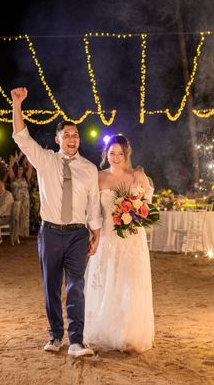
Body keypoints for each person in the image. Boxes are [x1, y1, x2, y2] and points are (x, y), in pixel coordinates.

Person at [11, 86, 102, 358]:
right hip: (50, 233)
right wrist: (17, 105)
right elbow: (21, 137)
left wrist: (95, 233)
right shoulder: (45, 160)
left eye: (75, 135)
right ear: (58, 138)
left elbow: (93, 203)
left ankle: (76, 341)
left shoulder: (89, 168)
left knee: (76, 286)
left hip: (77, 235)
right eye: (67, 135)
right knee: (51, 285)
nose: (72, 139)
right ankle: (55, 335)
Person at [83, 135, 155, 354]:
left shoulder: (138, 176)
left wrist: (133, 213)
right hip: (107, 239)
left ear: (127, 154)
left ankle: (129, 336)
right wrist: (92, 235)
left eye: (120, 154)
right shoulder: (98, 177)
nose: (115, 157)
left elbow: (147, 209)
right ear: (106, 154)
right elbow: (92, 211)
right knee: (107, 283)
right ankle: (106, 331)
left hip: (132, 239)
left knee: (130, 285)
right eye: (111, 153)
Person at [9, 163, 31, 238]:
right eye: (19, 169)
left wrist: (27, 158)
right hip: (17, 200)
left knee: (24, 215)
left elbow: (30, 167)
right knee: (17, 216)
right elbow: (10, 167)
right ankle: (16, 234)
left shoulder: (26, 177)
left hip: (25, 199)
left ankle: (24, 233)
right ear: (16, 170)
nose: (20, 171)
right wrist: (16, 159)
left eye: (21, 169)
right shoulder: (13, 178)